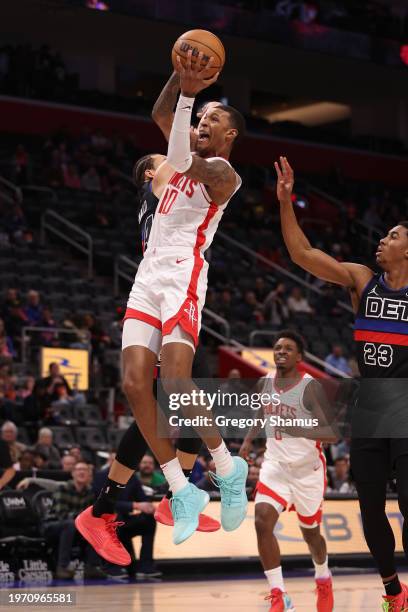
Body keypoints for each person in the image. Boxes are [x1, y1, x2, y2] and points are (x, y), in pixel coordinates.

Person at [76, 56, 248, 561]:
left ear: (230, 133)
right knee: (133, 384)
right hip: (147, 279)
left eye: (211, 119)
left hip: (183, 278)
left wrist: (190, 91)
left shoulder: (224, 173)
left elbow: (181, 147)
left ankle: (223, 465)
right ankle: (182, 488)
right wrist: (181, 76)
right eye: (198, 119)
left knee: (174, 386)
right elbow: (162, 117)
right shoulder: (163, 174)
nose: (200, 124)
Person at [275, 155, 408, 609]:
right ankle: (393, 590)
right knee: (370, 509)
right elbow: (303, 255)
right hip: (370, 406)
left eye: (392, 236)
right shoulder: (361, 280)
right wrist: (286, 202)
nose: (382, 239)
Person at [240, 331, 336, 611]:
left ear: (299, 357)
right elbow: (261, 412)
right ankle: (279, 594)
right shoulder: (264, 381)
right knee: (261, 522)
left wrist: (296, 429)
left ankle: (323, 577)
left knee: (312, 536)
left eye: (288, 348)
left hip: (308, 472)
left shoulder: (310, 387)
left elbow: (332, 434)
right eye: (278, 347)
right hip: (275, 468)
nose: (281, 351)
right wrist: (247, 441)